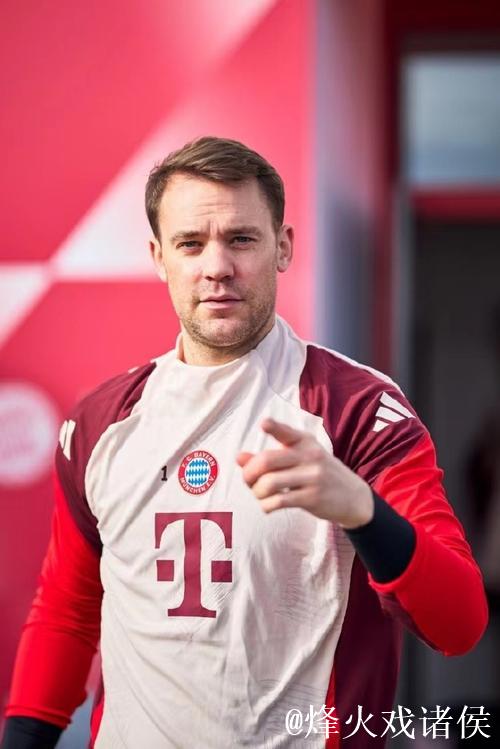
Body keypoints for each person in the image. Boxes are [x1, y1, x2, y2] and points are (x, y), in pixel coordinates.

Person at [1, 136, 488, 749]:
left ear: (283, 246)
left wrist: (362, 511)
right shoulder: (101, 422)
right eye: (190, 243)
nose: (217, 267)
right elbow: (68, 613)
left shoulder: (358, 411)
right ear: (158, 257)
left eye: (241, 239)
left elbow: (459, 624)